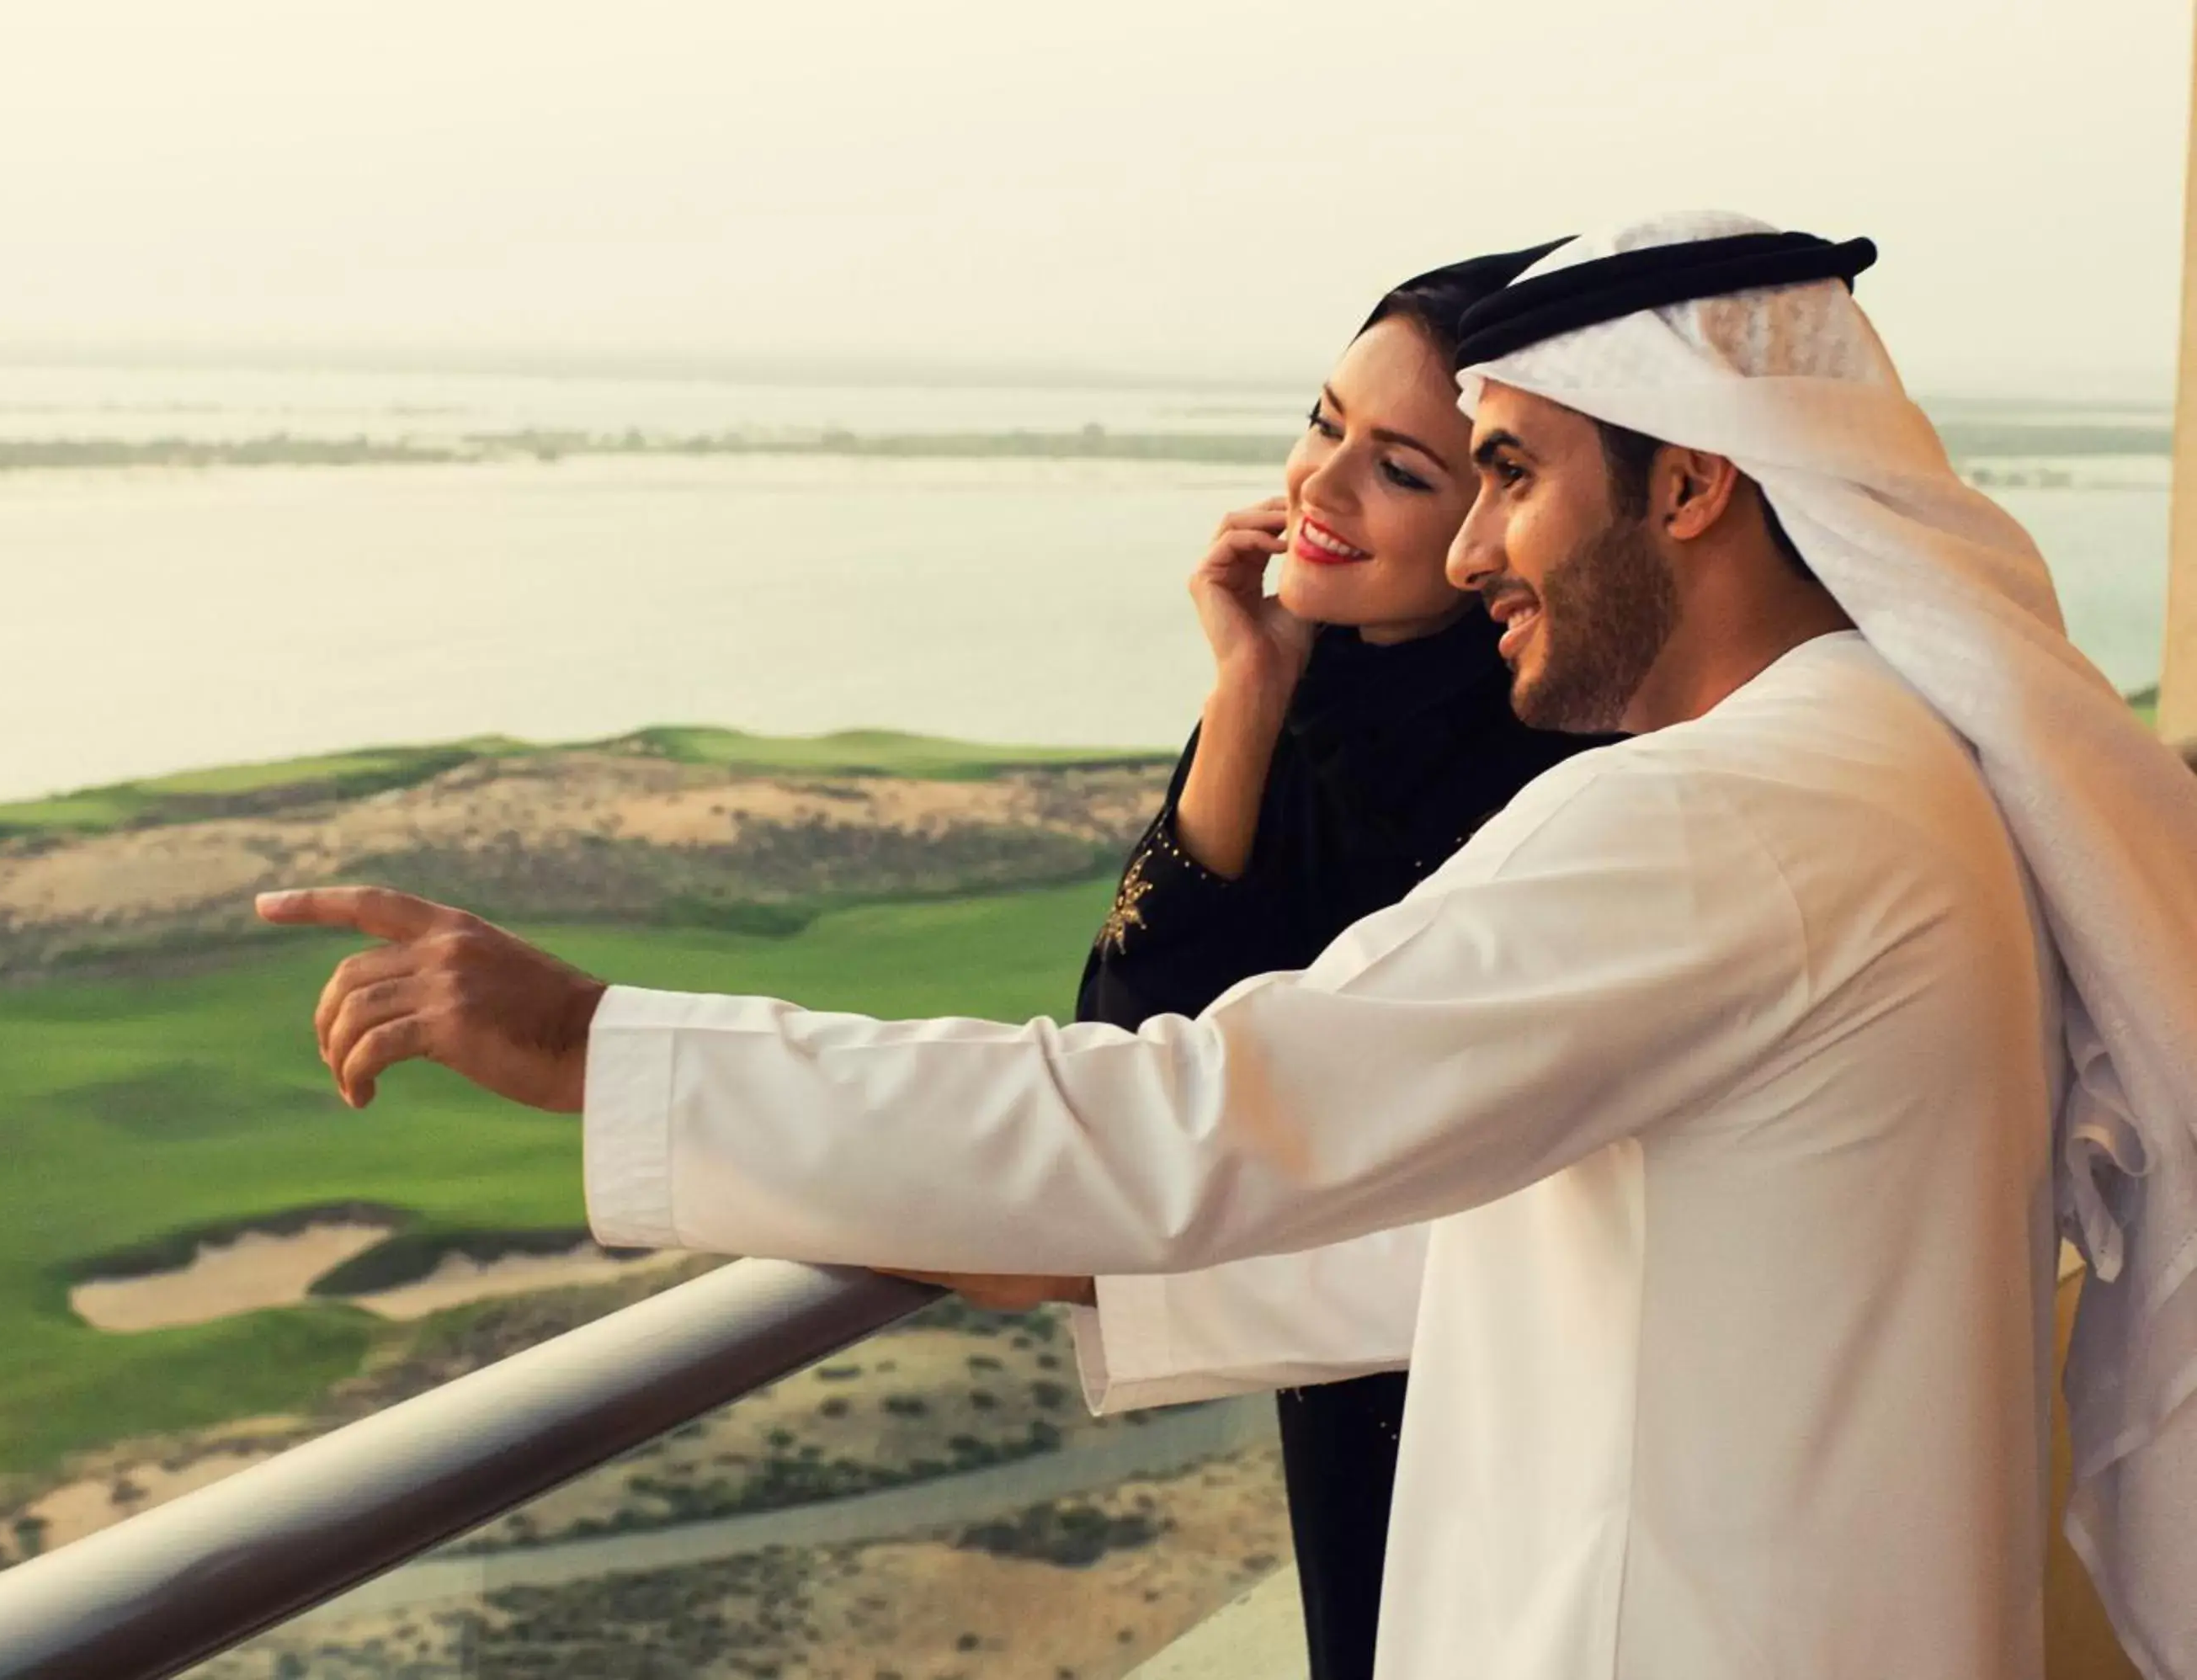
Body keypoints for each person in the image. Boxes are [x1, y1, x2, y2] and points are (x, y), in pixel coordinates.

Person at [259, 213, 2197, 1678]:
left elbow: (1198, 1112)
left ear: (1692, 484)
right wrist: (1101, 1278)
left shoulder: (1726, 817)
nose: (1471, 552)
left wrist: (598, 1037)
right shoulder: (1889, 770)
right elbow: (1591, 1231)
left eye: (1507, 473)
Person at [1070, 242, 1603, 1680]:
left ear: (1506, 504)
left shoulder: (1573, 745)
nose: (1318, 488)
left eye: (1401, 470)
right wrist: (1247, 690)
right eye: (1323, 426)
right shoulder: (1309, 684)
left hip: (1524, 1395)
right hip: (1343, 1388)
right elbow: (1129, 1035)